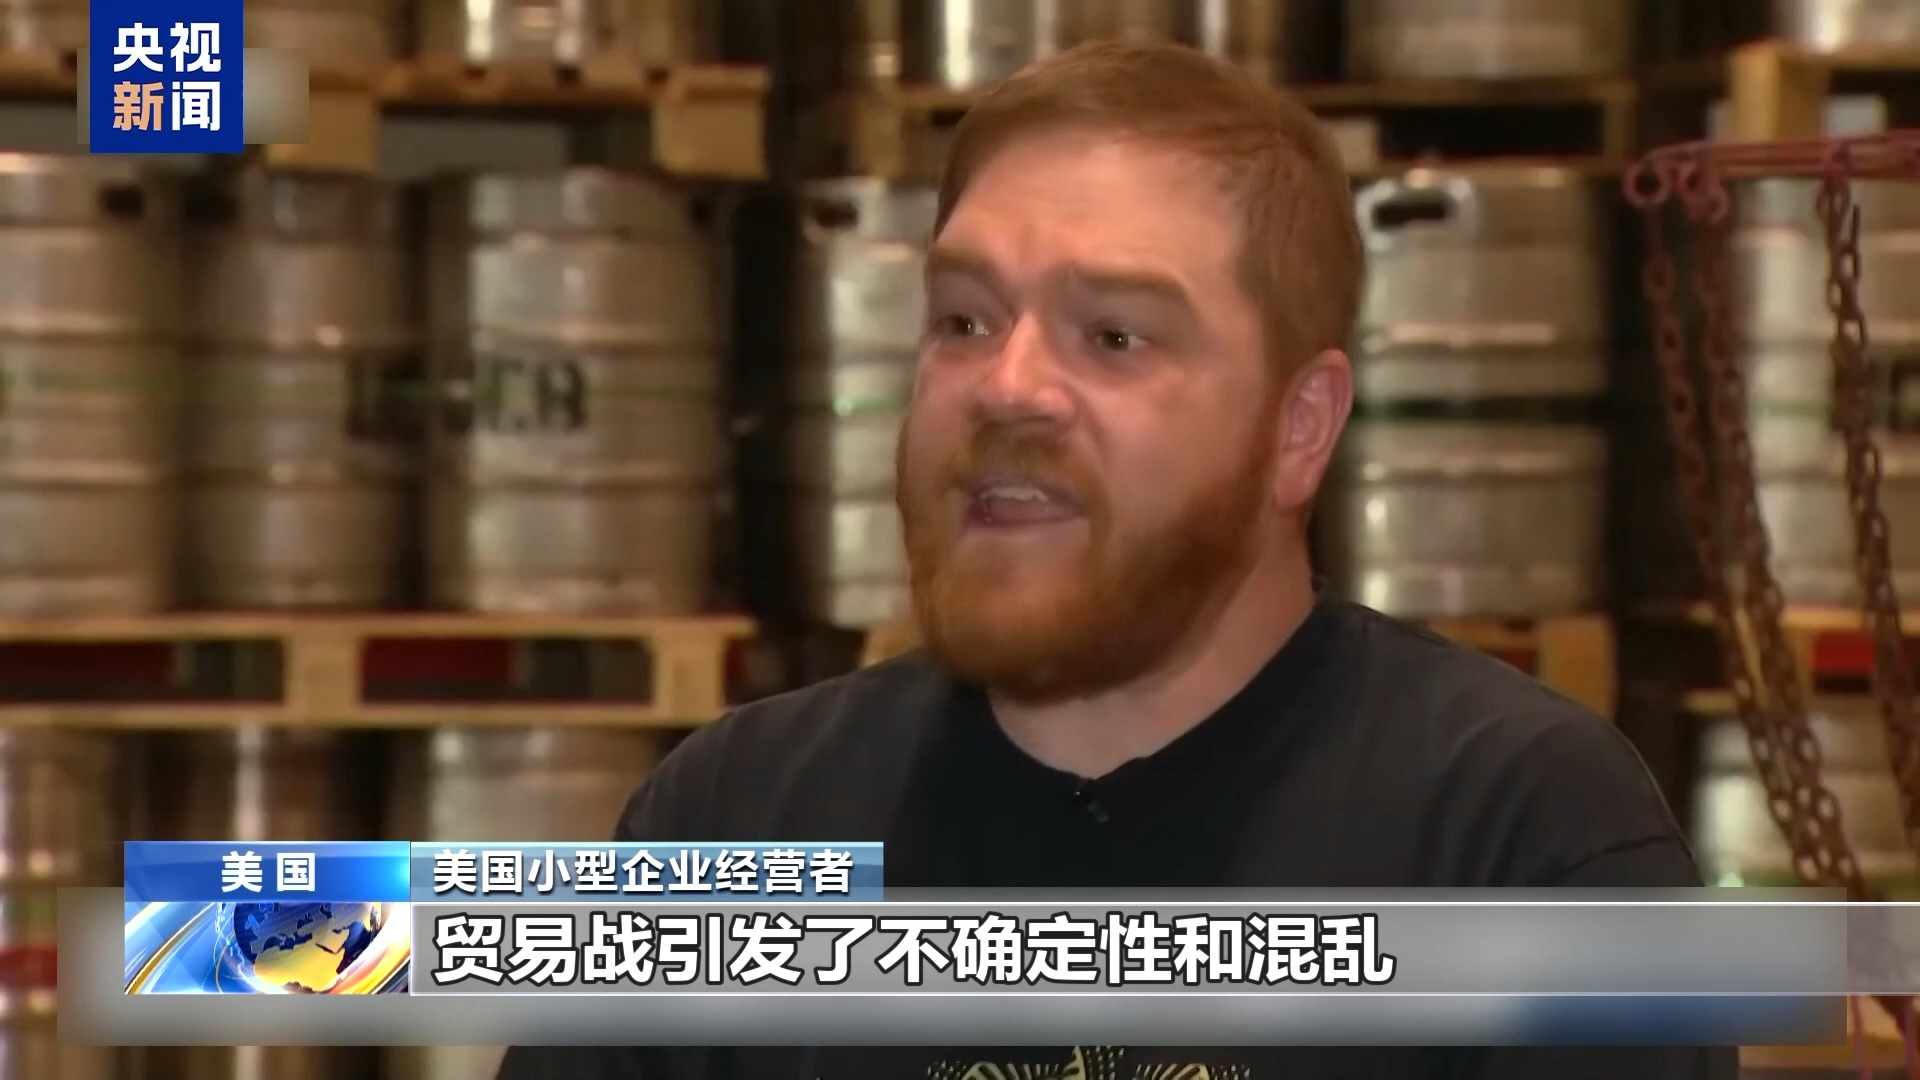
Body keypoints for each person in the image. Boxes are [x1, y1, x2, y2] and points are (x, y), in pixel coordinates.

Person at [498, 38, 1735, 1080]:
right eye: (964, 320)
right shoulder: (730, 827)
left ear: (1298, 428)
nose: (1008, 387)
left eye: (1115, 336)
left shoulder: (1523, 842)